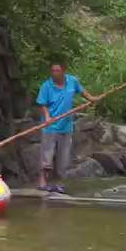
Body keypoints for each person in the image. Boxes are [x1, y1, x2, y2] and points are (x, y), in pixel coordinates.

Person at [35, 63, 98, 193]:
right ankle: (42, 182)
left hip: (66, 126)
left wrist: (91, 98)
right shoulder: (46, 86)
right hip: (50, 127)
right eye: (52, 71)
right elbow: (43, 104)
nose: (54, 74)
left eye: (57, 71)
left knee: (63, 158)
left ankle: (57, 183)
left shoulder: (72, 81)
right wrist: (47, 118)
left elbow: (81, 91)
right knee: (47, 156)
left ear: (64, 71)